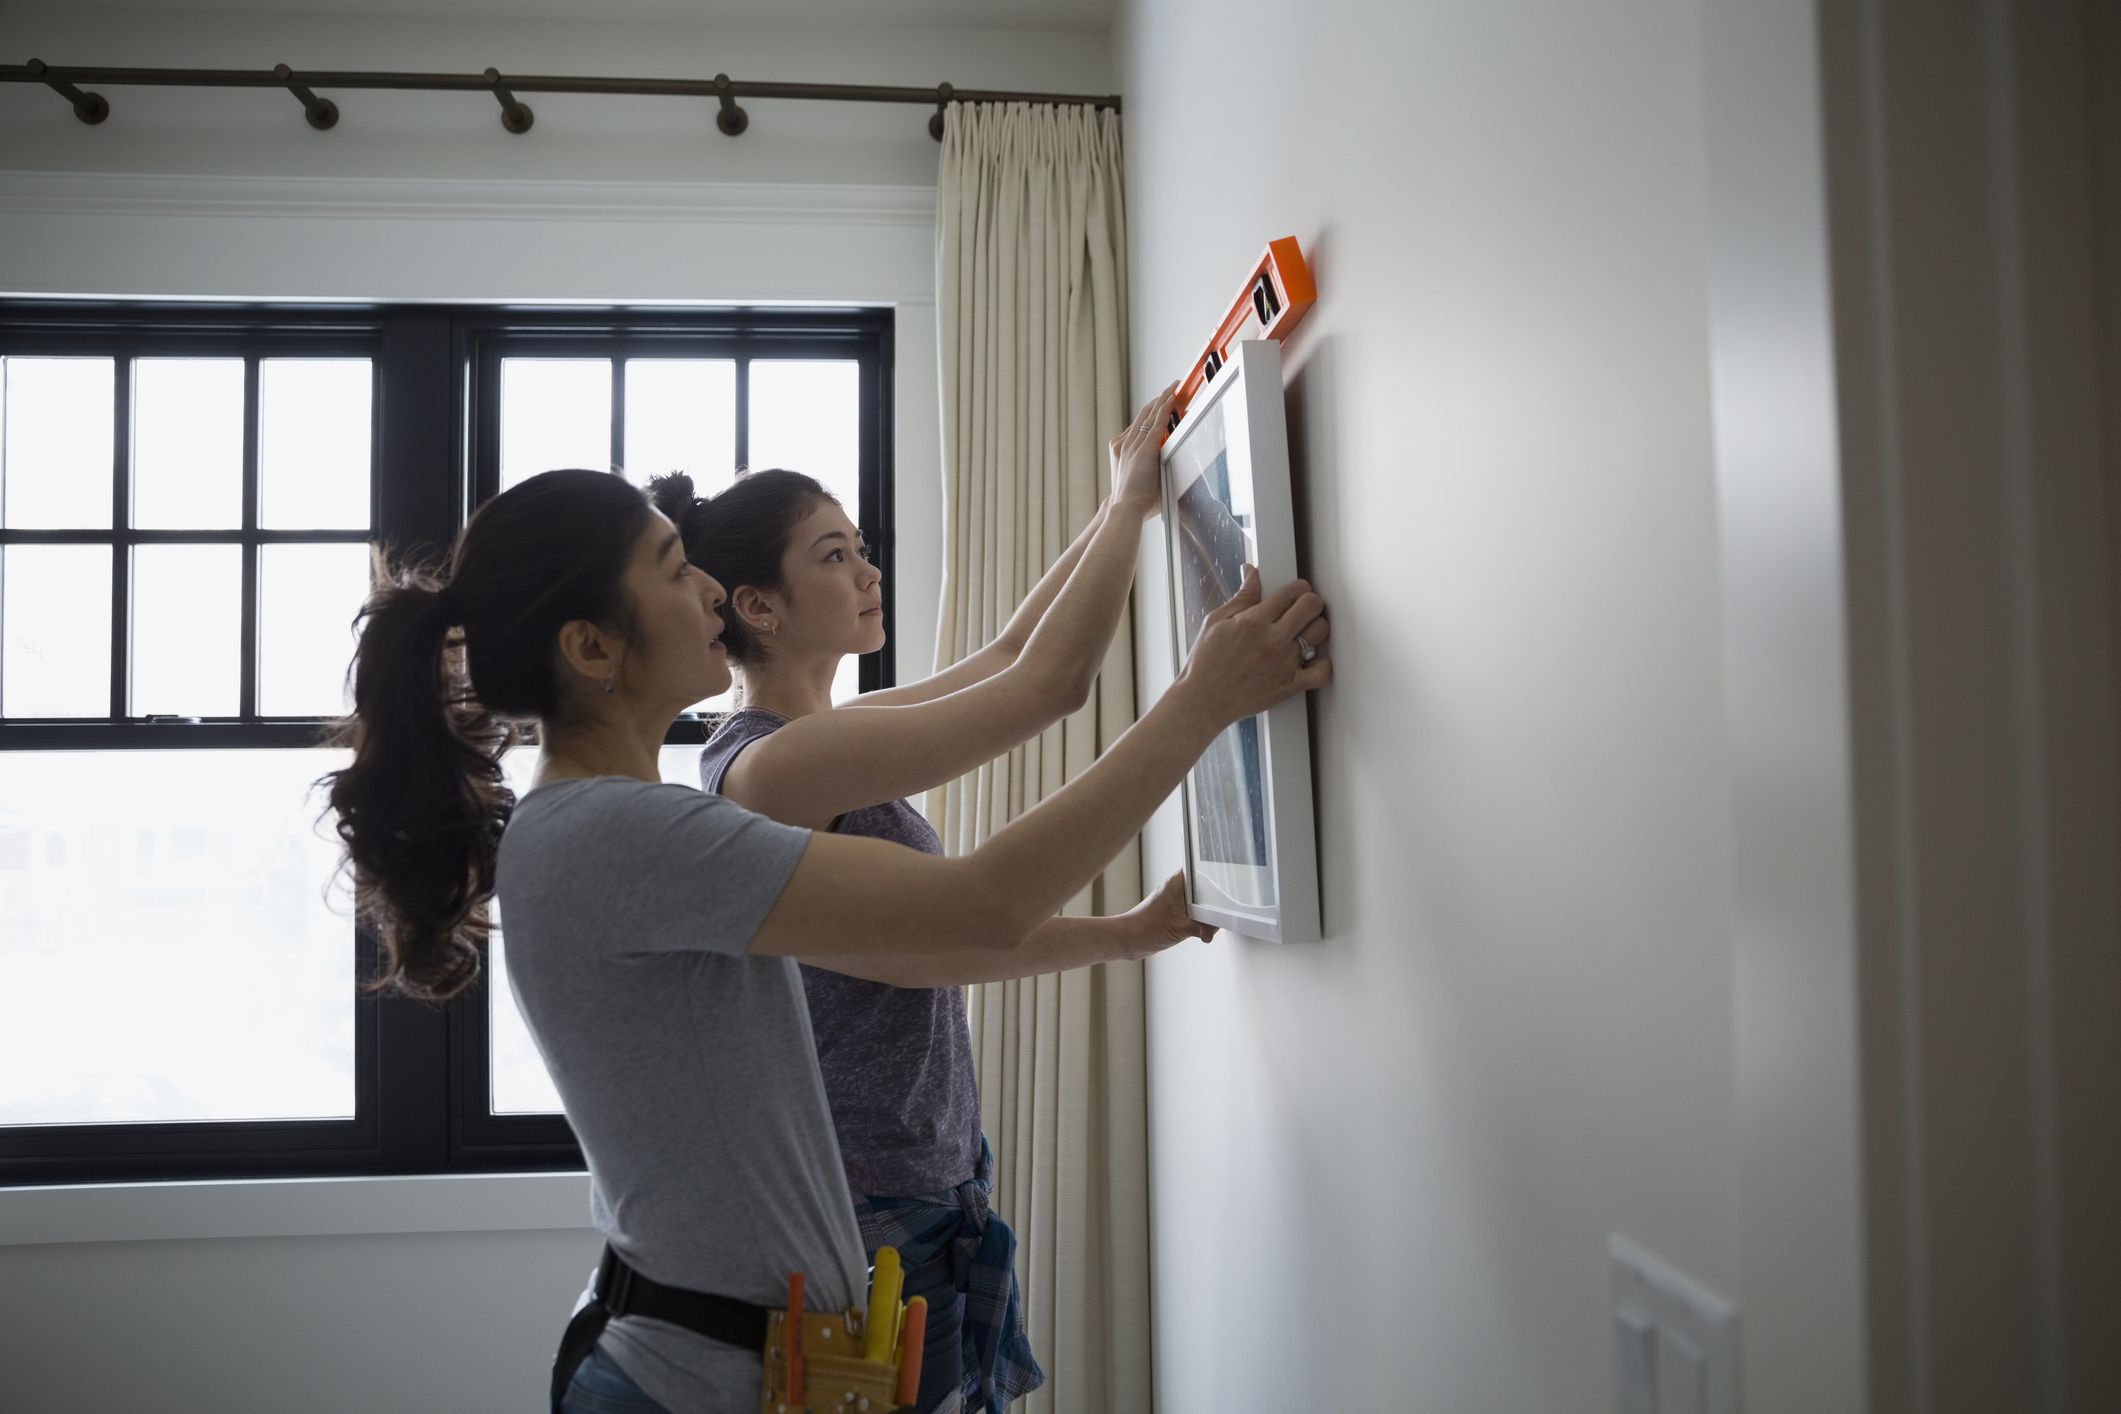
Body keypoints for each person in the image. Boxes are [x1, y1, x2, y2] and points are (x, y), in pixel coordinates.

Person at [324, 465, 1330, 1414]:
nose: (712, 590)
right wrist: (1202, 700)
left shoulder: (609, 823)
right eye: (677, 570)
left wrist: (1121, 928)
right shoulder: (621, 832)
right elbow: (981, 903)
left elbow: (949, 905)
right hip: (703, 1375)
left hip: (730, 1355)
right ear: (594, 649)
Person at [650, 387, 1323, 1413]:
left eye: (862, 546)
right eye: (834, 555)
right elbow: (1052, 685)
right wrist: (1185, 641)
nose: (870, 571)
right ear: (758, 605)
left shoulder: (826, 738)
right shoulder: (769, 772)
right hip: (871, 1210)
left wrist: (1127, 933)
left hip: (932, 1182)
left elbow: (1011, 664)